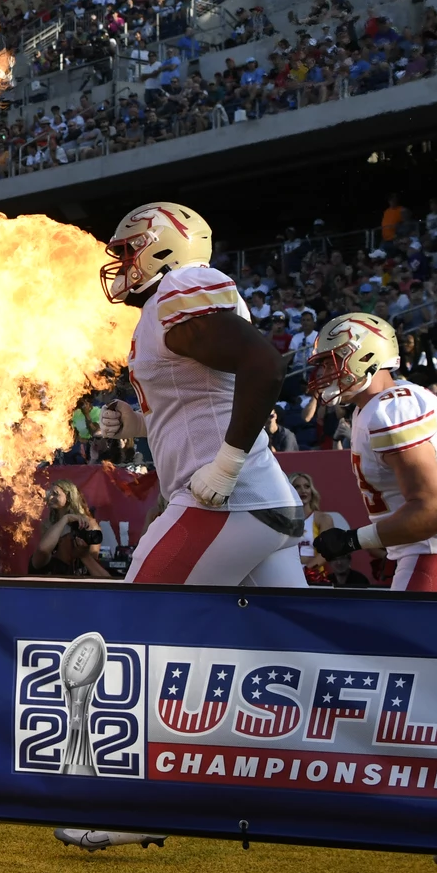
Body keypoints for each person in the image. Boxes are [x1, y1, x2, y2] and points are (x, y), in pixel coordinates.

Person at [95, 203, 306, 587]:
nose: (123, 263)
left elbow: (264, 365)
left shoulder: (181, 284)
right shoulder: (165, 305)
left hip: (227, 503)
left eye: (129, 251)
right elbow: (206, 397)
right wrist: (140, 423)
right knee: (281, 647)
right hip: (260, 503)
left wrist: (225, 468)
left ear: (162, 248)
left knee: (132, 621)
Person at [307, 313, 437, 591]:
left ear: (365, 356)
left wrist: (351, 541)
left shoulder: (390, 412)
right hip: (433, 551)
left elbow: (433, 513)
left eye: (331, 361)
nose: (323, 373)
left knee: (401, 634)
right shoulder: (378, 405)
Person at [27, 480, 113, 578]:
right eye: (49, 494)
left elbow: (93, 559)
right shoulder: (47, 524)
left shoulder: (88, 523)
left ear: (68, 496)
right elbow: (43, 551)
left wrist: (82, 553)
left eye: (55, 494)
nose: (50, 498)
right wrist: (66, 519)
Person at [288, 471, 349, 586]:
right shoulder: (284, 520)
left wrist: (306, 571)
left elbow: (327, 551)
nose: (303, 491)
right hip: (287, 577)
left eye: (307, 486)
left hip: (314, 577)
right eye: (297, 487)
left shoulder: (323, 519)